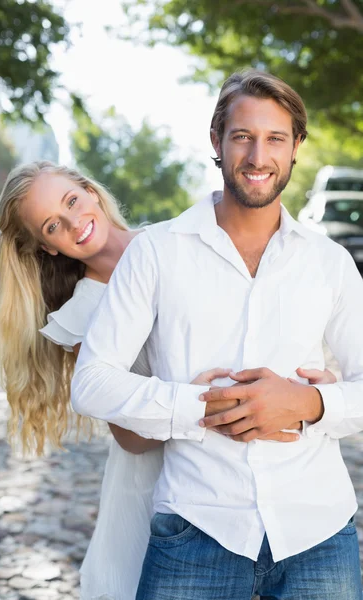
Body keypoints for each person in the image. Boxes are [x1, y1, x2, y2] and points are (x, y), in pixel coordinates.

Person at [71, 69, 363, 600]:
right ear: (216, 141)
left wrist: (310, 402)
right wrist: (198, 408)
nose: (258, 156)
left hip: (318, 528)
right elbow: (91, 381)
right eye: (242, 137)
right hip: (195, 527)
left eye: (275, 138)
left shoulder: (331, 263)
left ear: (297, 146)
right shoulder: (156, 252)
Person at [0, 161, 329, 599]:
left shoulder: (173, 244)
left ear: (90, 190)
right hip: (157, 484)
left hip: (251, 473)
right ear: (46, 246)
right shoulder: (82, 314)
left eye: (72, 201)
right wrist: (200, 404)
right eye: (53, 225)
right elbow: (131, 440)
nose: (75, 223)